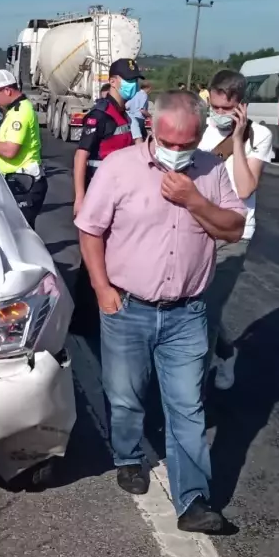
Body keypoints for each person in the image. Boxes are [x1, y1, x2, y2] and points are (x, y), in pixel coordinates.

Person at [76, 90, 246, 534]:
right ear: (152, 129)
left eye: (186, 143)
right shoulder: (119, 169)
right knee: (126, 395)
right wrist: (101, 289)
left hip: (187, 312)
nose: (177, 152)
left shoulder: (209, 171)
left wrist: (194, 199)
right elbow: (90, 231)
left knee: (188, 406)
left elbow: (234, 228)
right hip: (127, 306)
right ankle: (129, 456)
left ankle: (193, 500)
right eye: (169, 143)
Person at [197, 70, 273, 390]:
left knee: (207, 312)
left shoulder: (260, 135)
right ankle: (227, 353)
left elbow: (244, 189)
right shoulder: (201, 131)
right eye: (214, 106)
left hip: (234, 235)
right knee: (192, 306)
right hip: (198, 230)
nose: (218, 114)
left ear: (242, 106)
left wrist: (238, 140)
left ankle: (191, 397)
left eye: (226, 109)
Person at [0, 69, 47, 227]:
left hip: (25, 183)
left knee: (21, 234)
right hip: (18, 181)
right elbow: (4, 141)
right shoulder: (15, 110)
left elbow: (9, 150)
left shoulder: (20, 112)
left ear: (7, 90)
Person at [72, 58, 142, 217]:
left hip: (120, 189)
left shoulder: (123, 114)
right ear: (112, 81)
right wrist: (80, 198)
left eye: (135, 80)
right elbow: (81, 155)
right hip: (99, 189)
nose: (134, 84)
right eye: (129, 80)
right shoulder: (100, 115)